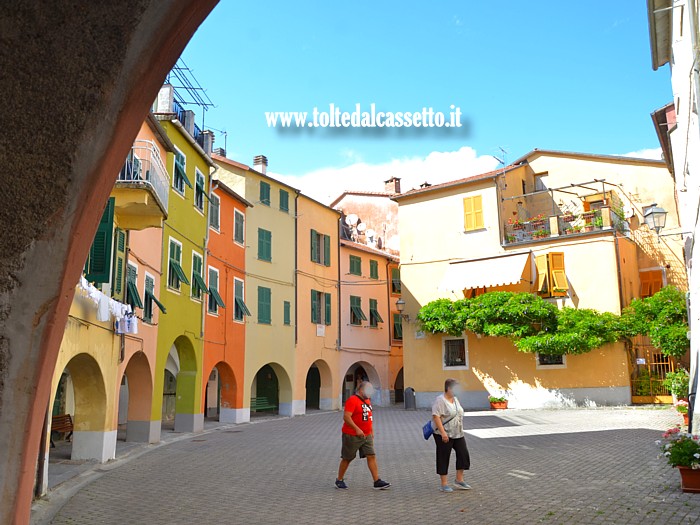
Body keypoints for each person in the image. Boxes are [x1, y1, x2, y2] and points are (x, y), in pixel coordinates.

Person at [335, 381, 391, 490]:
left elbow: (368, 417)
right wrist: (356, 429)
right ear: (361, 390)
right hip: (352, 435)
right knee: (347, 458)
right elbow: (347, 417)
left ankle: (377, 481)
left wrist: (371, 430)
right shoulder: (352, 400)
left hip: (366, 435)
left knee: (371, 455)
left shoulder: (367, 400)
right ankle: (339, 479)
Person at [432, 378, 471, 492]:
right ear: (448, 388)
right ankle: (444, 484)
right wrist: (443, 433)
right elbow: (436, 416)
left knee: (463, 454)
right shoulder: (440, 400)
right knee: (443, 457)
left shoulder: (455, 399)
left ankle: (459, 479)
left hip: (458, 433)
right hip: (443, 434)